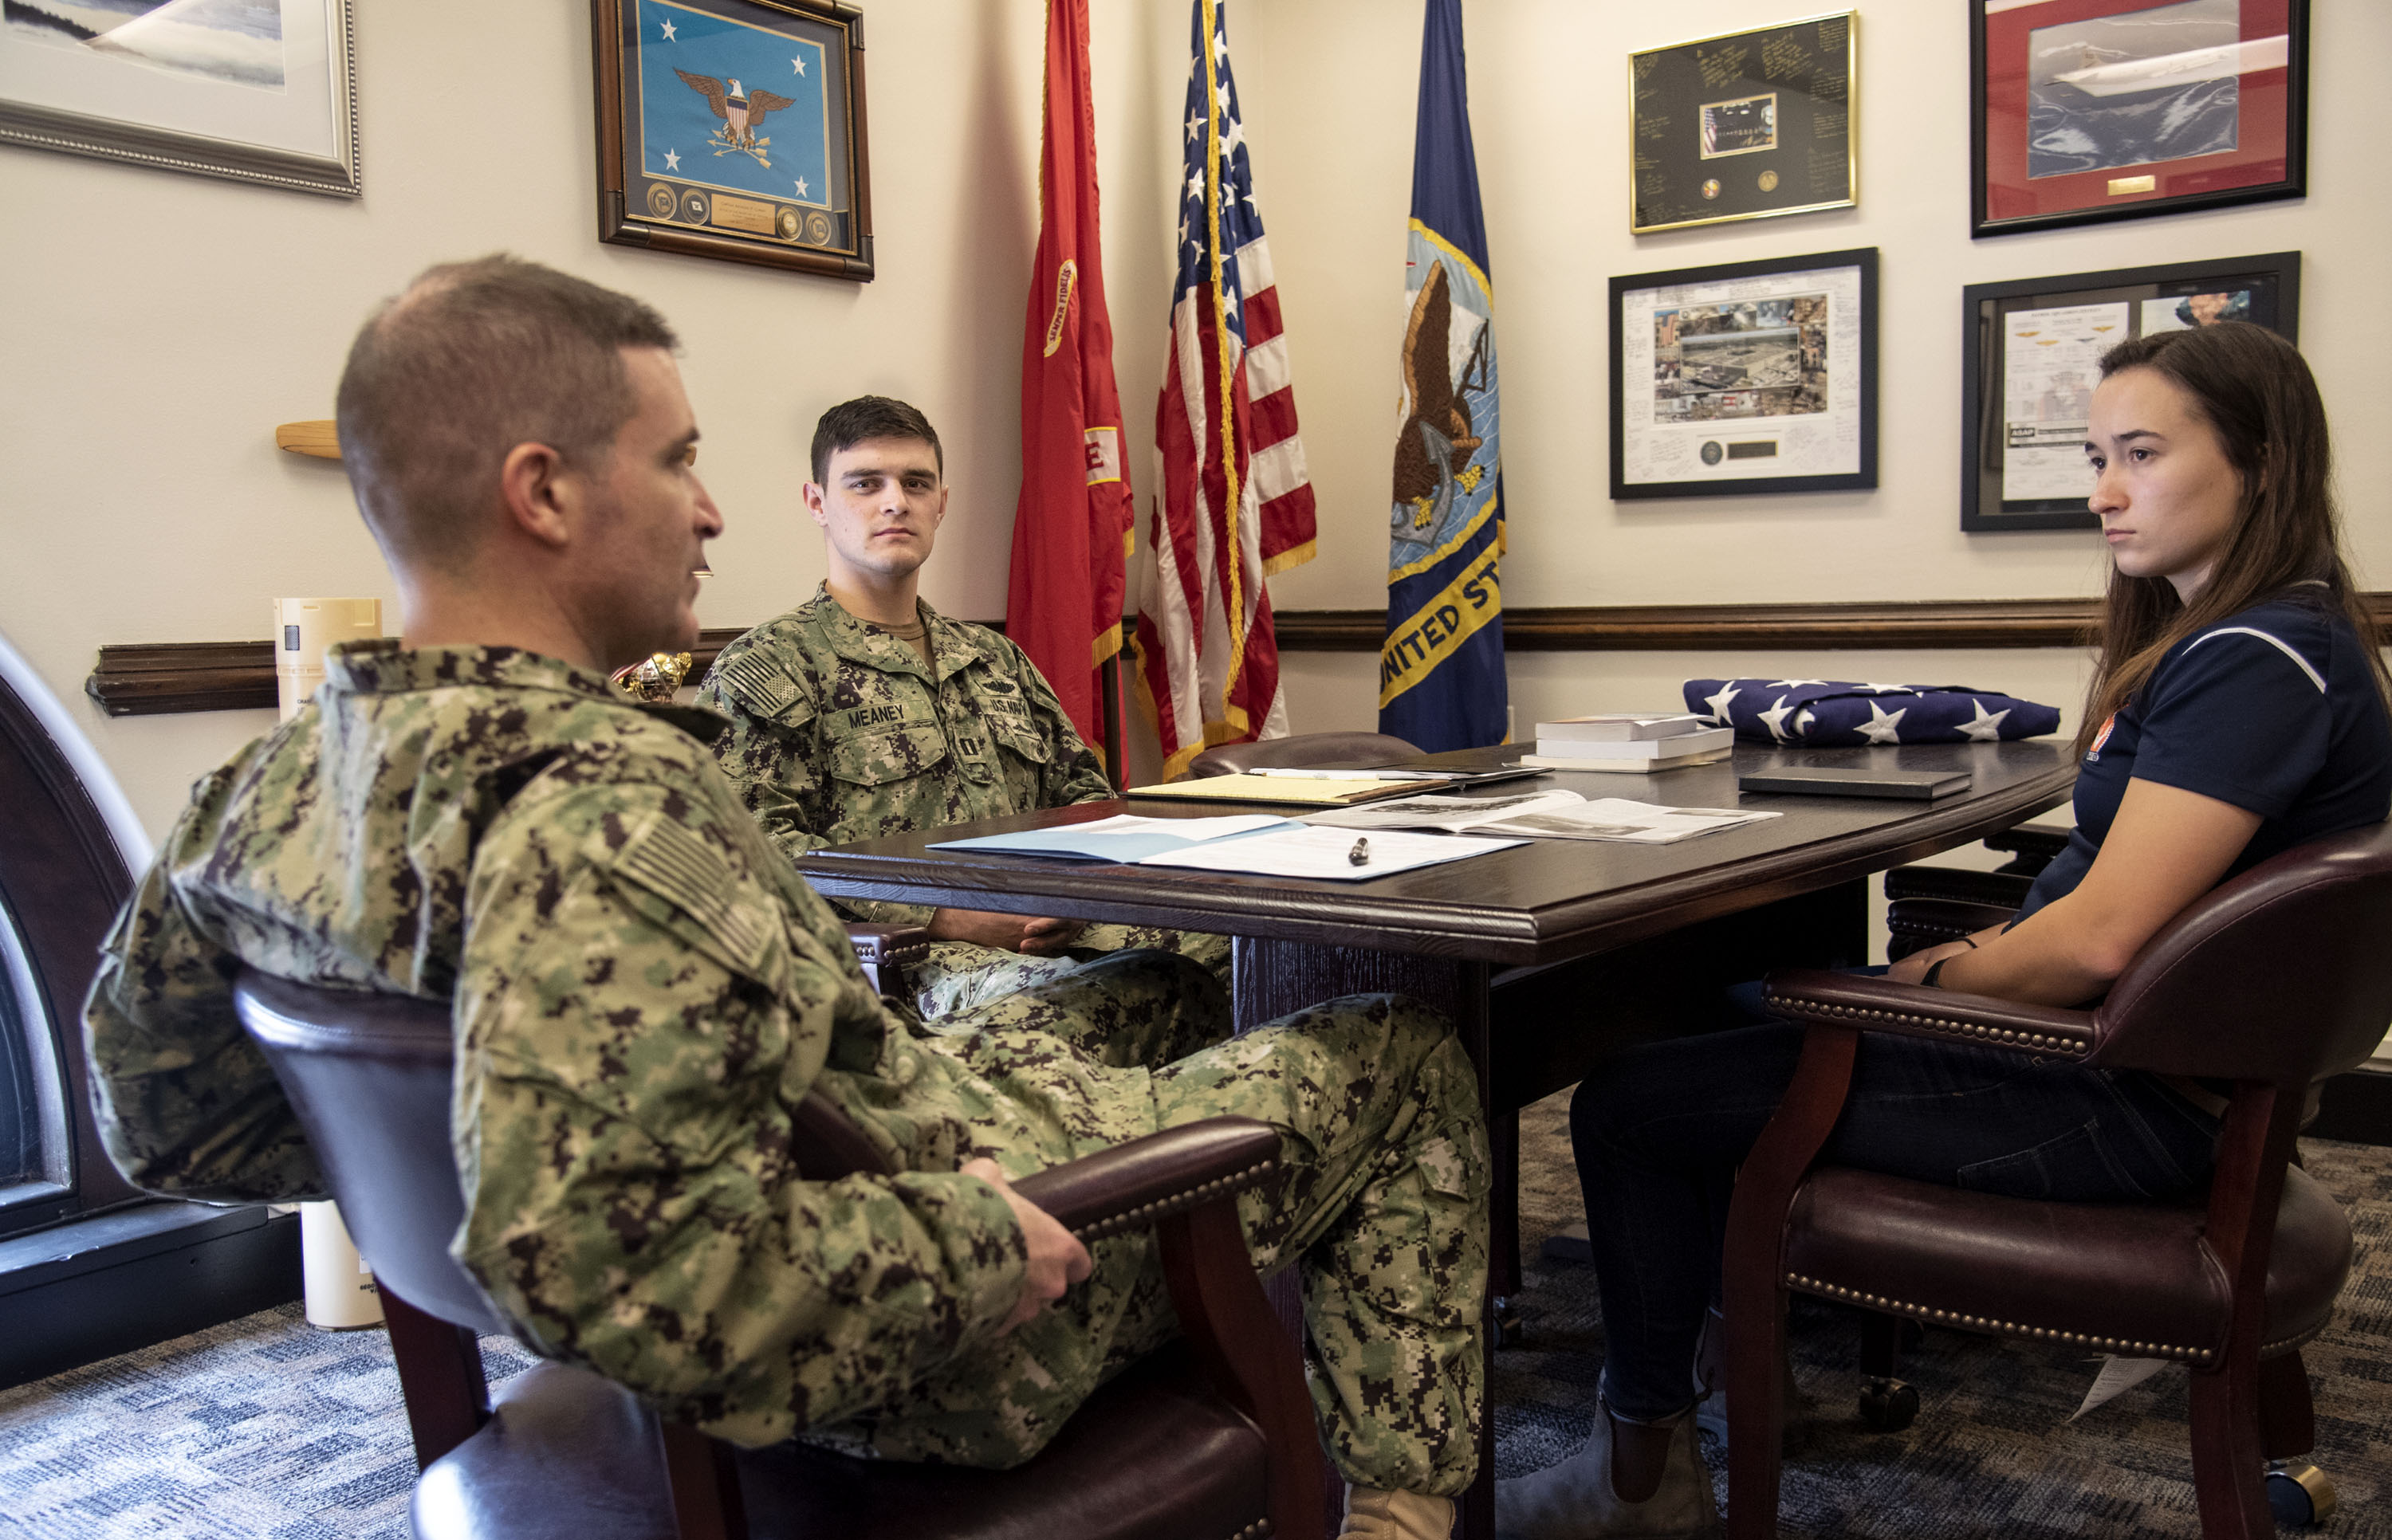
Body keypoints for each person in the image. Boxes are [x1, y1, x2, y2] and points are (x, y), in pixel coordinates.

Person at [81, 257, 1485, 1540]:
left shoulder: (258, 789)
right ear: (544, 491)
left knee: (1108, 1010)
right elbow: (636, 1276)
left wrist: (456, 1157)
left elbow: (166, 1118)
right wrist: (975, 1241)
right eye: (678, 458)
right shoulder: (605, 803)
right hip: (953, 1334)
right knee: (1404, 1051)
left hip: (906, 1152)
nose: (710, 508)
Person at [1497, 320, 2392, 1540]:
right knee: (1724, 1008)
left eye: (2141, 454)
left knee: (1627, 1104)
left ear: (2266, 465)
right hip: (2143, 1071)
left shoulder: (2257, 658)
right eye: (2093, 457)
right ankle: (1746, 1380)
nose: (2104, 494)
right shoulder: (2286, 639)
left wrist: (1938, 973)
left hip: (2109, 1093)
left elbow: (2096, 942)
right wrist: (1939, 975)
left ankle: (1635, 1473)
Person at [695, 395, 1230, 1020]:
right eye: (865, 483)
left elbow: (1086, 800)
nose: (895, 501)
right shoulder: (772, 668)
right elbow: (751, 851)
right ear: (817, 503)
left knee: (1251, 953)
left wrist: (1073, 898)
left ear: (940, 503)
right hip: (906, 959)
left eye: (915, 483)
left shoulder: (994, 659)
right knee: (1121, 997)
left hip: (1063, 928)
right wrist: (941, 914)